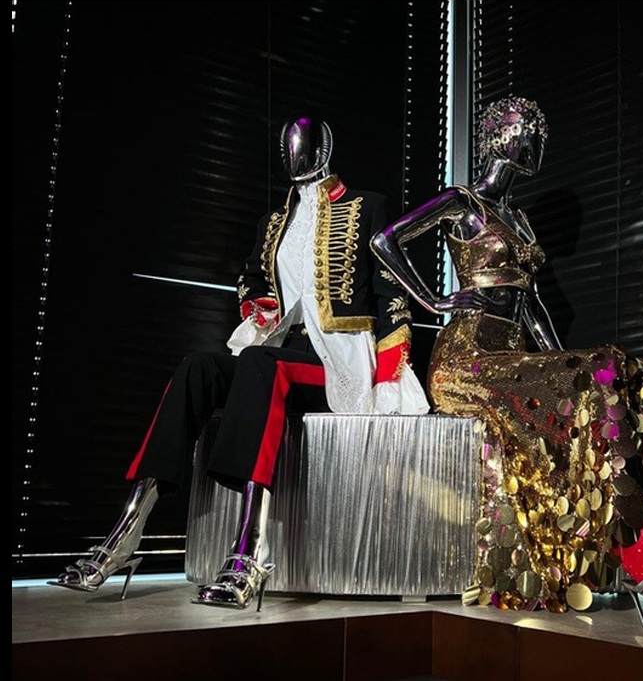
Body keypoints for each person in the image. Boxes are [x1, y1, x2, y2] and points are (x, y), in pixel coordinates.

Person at [370, 96, 643, 624]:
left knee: (635, 386)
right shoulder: (463, 201)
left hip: (513, 355)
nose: (536, 147)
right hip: (466, 360)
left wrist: (568, 365)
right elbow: (384, 240)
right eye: (529, 133)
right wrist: (435, 300)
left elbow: (530, 304)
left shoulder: (519, 221)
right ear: (501, 135)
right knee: (606, 371)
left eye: (540, 138)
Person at [48, 116, 430, 610]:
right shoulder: (274, 222)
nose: (294, 155)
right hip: (280, 348)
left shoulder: (367, 206)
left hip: (340, 361)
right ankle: (126, 531)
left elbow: (390, 294)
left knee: (259, 364)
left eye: (303, 146)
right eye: (288, 147)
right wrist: (259, 306)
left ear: (325, 149)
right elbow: (252, 278)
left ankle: (250, 551)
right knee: (198, 368)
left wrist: (390, 375)